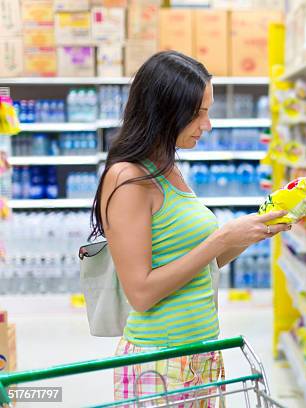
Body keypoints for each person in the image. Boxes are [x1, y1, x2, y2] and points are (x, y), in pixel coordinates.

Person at [90, 51, 290, 407]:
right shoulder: (128, 178)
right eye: (199, 113)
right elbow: (141, 292)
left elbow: (198, 264)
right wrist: (220, 239)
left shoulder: (168, 168)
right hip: (158, 361)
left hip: (202, 354)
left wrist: (254, 231)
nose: (207, 125)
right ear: (165, 110)